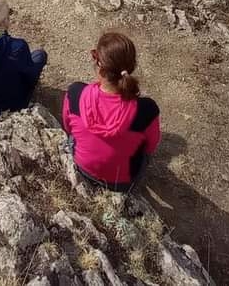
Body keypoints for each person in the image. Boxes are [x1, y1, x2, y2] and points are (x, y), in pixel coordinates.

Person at [62, 31, 160, 191]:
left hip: (82, 168)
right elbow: (151, 147)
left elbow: (67, 128)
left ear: (99, 67)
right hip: (120, 183)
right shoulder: (147, 110)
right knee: (143, 151)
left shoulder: (75, 94)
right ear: (131, 68)